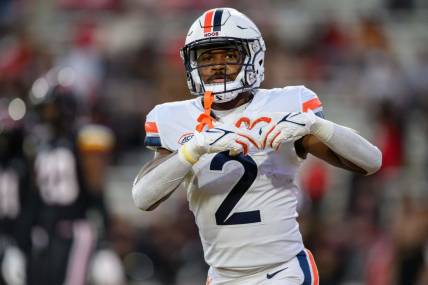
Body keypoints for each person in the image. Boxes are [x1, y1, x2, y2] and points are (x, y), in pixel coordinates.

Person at [132, 7, 382, 285]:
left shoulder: (286, 104)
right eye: (207, 57)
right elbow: (143, 198)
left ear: (253, 57)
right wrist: (194, 148)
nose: (217, 65)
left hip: (283, 269)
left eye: (229, 55)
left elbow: (371, 162)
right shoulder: (174, 118)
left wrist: (316, 125)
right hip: (222, 276)